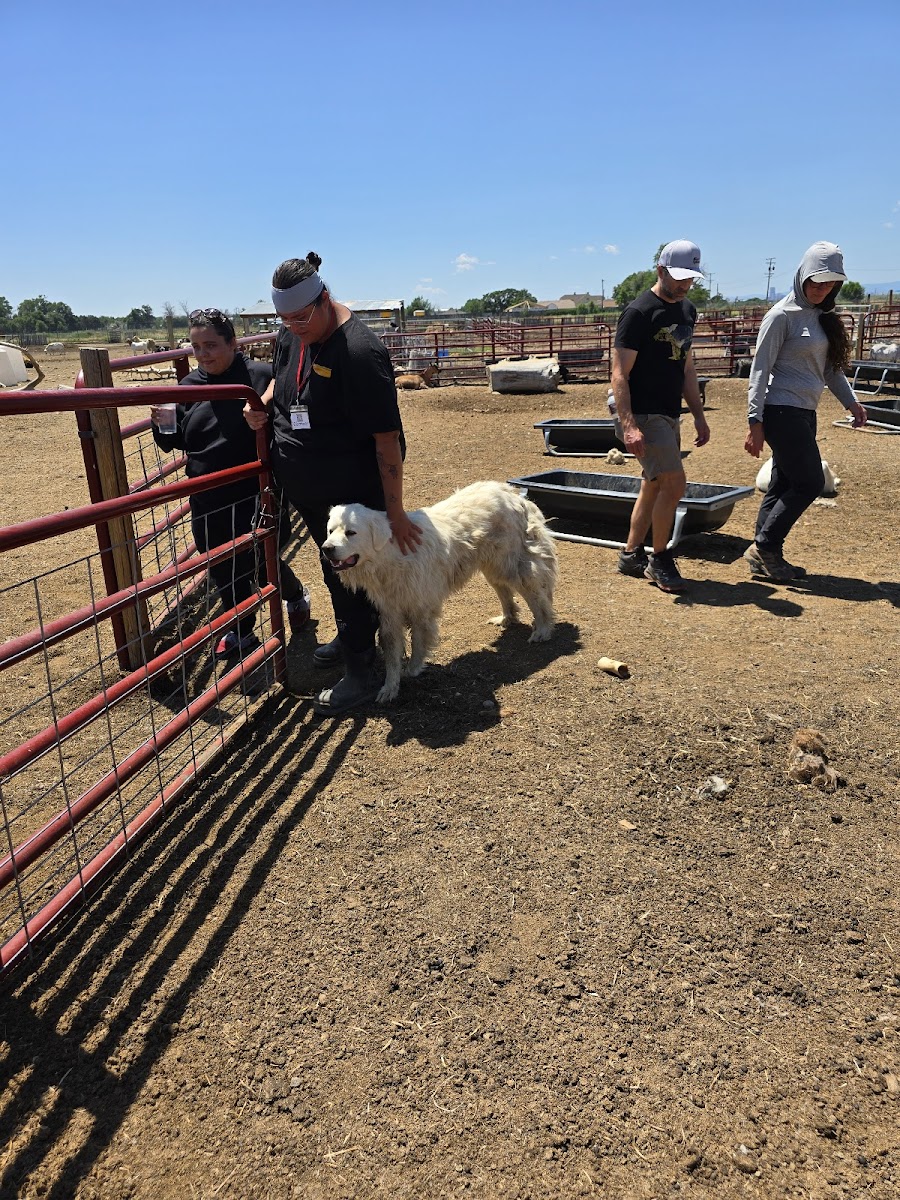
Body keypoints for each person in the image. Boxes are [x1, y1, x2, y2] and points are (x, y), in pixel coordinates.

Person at [244, 252, 421, 716]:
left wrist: (395, 511)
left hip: (349, 488)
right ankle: (351, 638)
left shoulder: (359, 353)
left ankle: (362, 670)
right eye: (284, 319)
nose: (293, 327)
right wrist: (261, 403)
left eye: (301, 316)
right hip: (308, 486)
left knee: (356, 571)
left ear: (325, 298)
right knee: (334, 568)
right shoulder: (291, 335)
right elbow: (284, 387)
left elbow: (386, 441)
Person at [151, 307, 310, 659]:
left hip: (255, 490)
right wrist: (161, 422)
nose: (203, 354)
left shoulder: (259, 377)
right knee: (221, 564)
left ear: (233, 343)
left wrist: (265, 408)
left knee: (258, 559)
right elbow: (174, 441)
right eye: (196, 346)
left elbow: (288, 394)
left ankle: (294, 593)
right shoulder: (187, 388)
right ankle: (242, 630)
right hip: (206, 494)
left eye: (211, 345)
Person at [743, 242, 868, 581]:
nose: (820, 289)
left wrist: (851, 401)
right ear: (802, 275)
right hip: (781, 411)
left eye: (828, 283)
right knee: (810, 481)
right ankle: (765, 547)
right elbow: (759, 368)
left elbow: (830, 370)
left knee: (784, 482)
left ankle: (764, 555)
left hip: (804, 411)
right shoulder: (781, 316)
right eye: (815, 281)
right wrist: (754, 419)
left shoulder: (821, 316)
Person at [610, 240, 710, 593]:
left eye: (690, 279)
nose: (685, 286)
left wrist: (698, 414)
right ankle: (660, 557)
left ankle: (631, 553)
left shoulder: (687, 311)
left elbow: (686, 366)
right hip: (643, 412)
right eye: (679, 278)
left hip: (669, 410)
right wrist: (629, 424)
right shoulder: (639, 312)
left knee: (652, 484)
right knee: (674, 483)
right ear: (661, 270)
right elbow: (619, 373)